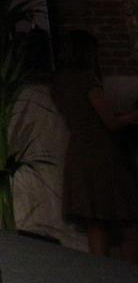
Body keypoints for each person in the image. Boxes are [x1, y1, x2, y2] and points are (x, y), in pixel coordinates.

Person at [50, 30, 138, 262]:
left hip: (79, 151)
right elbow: (109, 120)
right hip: (102, 152)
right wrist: (130, 117)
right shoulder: (87, 79)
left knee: (95, 220)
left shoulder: (59, 81)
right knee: (128, 219)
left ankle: (101, 273)